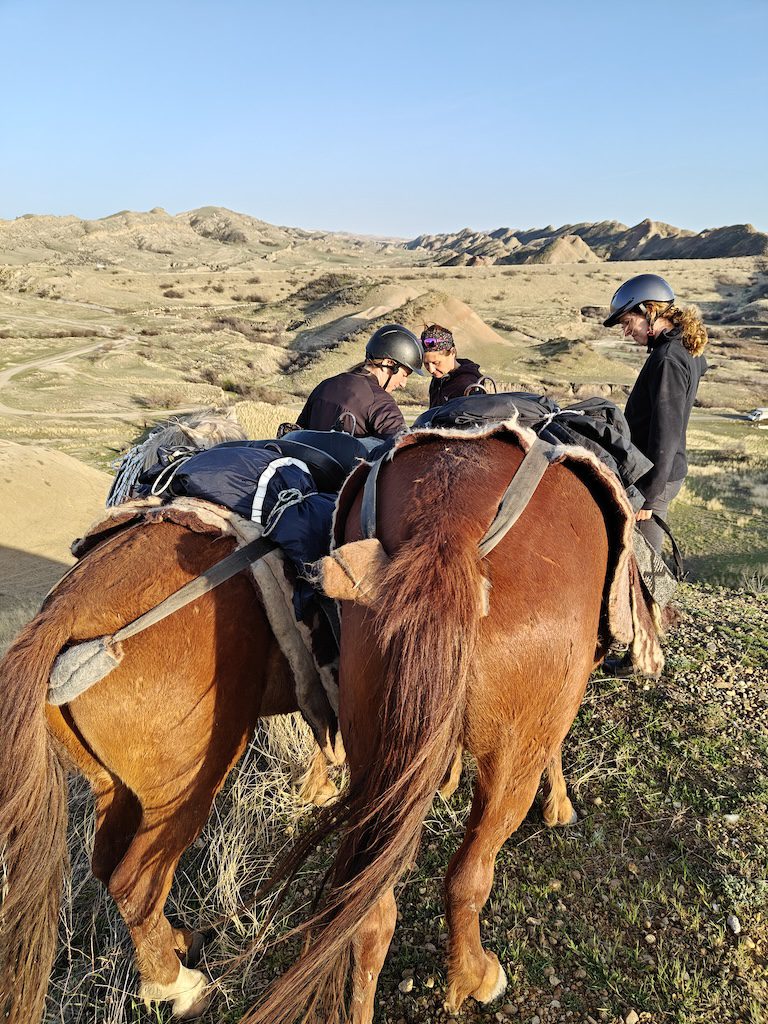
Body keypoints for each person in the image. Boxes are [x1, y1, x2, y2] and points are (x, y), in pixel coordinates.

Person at [604, 273, 709, 553]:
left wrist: (648, 496)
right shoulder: (678, 347)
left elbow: (666, 432)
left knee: (645, 566)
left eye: (628, 322)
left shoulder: (667, 359)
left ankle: (654, 599)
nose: (627, 331)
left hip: (655, 477)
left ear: (648, 311)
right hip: (659, 472)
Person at [296, 323, 424, 440]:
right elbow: (402, 449)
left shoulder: (325, 385)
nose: (403, 383)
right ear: (388, 363)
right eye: (404, 374)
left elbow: (299, 433)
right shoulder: (381, 402)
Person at [421, 324, 482, 407]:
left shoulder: (467, 384)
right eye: (426, 364)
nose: (431, 370)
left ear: (452, 352)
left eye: (436, 363)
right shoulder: (438, 380)